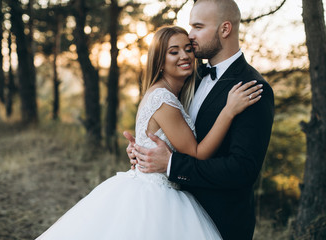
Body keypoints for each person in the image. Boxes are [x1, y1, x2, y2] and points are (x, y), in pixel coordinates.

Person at [35, 26, 261, 240]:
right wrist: (228, 112)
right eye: (174, 52)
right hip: (156, 195)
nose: (184, 55)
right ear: (160, 61)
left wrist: (140, 149)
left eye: (188, 49)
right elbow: (197, 152)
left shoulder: (169, 92)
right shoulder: (163, 98)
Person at [125, 1, 274, 240]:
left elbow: (241, 170)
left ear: (224, 29)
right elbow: (168, 127)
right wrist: (145, 151)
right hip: (168, 214)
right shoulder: (189, 76)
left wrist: (171, 165)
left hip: (218, 222)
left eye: (197, 26)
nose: (190, 35)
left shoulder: (251, 88)